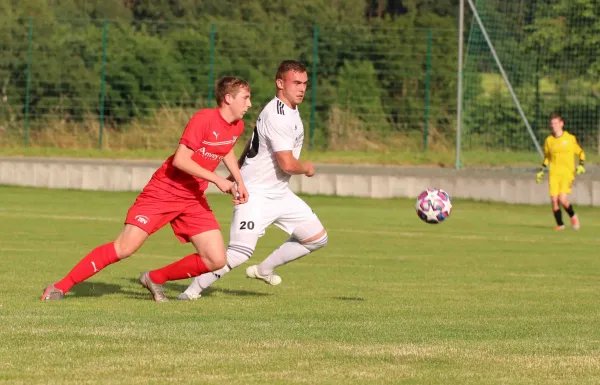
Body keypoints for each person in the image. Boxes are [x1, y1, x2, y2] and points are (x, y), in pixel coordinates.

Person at [41, 76, 252, 302]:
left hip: (191, 198)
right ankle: (59, 287)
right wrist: (217, 179)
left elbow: (225, 148)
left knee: (216, 259)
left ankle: (154, 278)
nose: (249, 104)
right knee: (124, 248)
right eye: (246, 98)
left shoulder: (236, 126)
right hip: (164, 190)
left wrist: (238, 180)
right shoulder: (203, 119)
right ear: (228, 98)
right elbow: (180, 160)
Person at [178, 60, 328, 301]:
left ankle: (264, 269)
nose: (302, 89)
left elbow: (254, 141)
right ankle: (190, 292)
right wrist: (306, 168)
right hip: (256, 193)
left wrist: (236, 167)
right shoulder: (277, 115)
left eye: (305, 84)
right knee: (239, 252)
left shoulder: (288, 109)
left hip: (279, 192)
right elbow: (287, 164)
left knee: (316, 237)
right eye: (296, 83)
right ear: (280, 83)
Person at [536, 113, 585, 230]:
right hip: (553, 173)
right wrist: (542, 170)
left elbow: (580, 152)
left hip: (567, 172)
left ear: (562, 124)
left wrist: (581, 164)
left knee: (562, 199)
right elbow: (547, 157)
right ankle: (560, 224)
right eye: (552, 124)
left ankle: (573, 216)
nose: (553, 126)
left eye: (556, 123)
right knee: (554, 200)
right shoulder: (549, 140)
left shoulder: (569, 138)